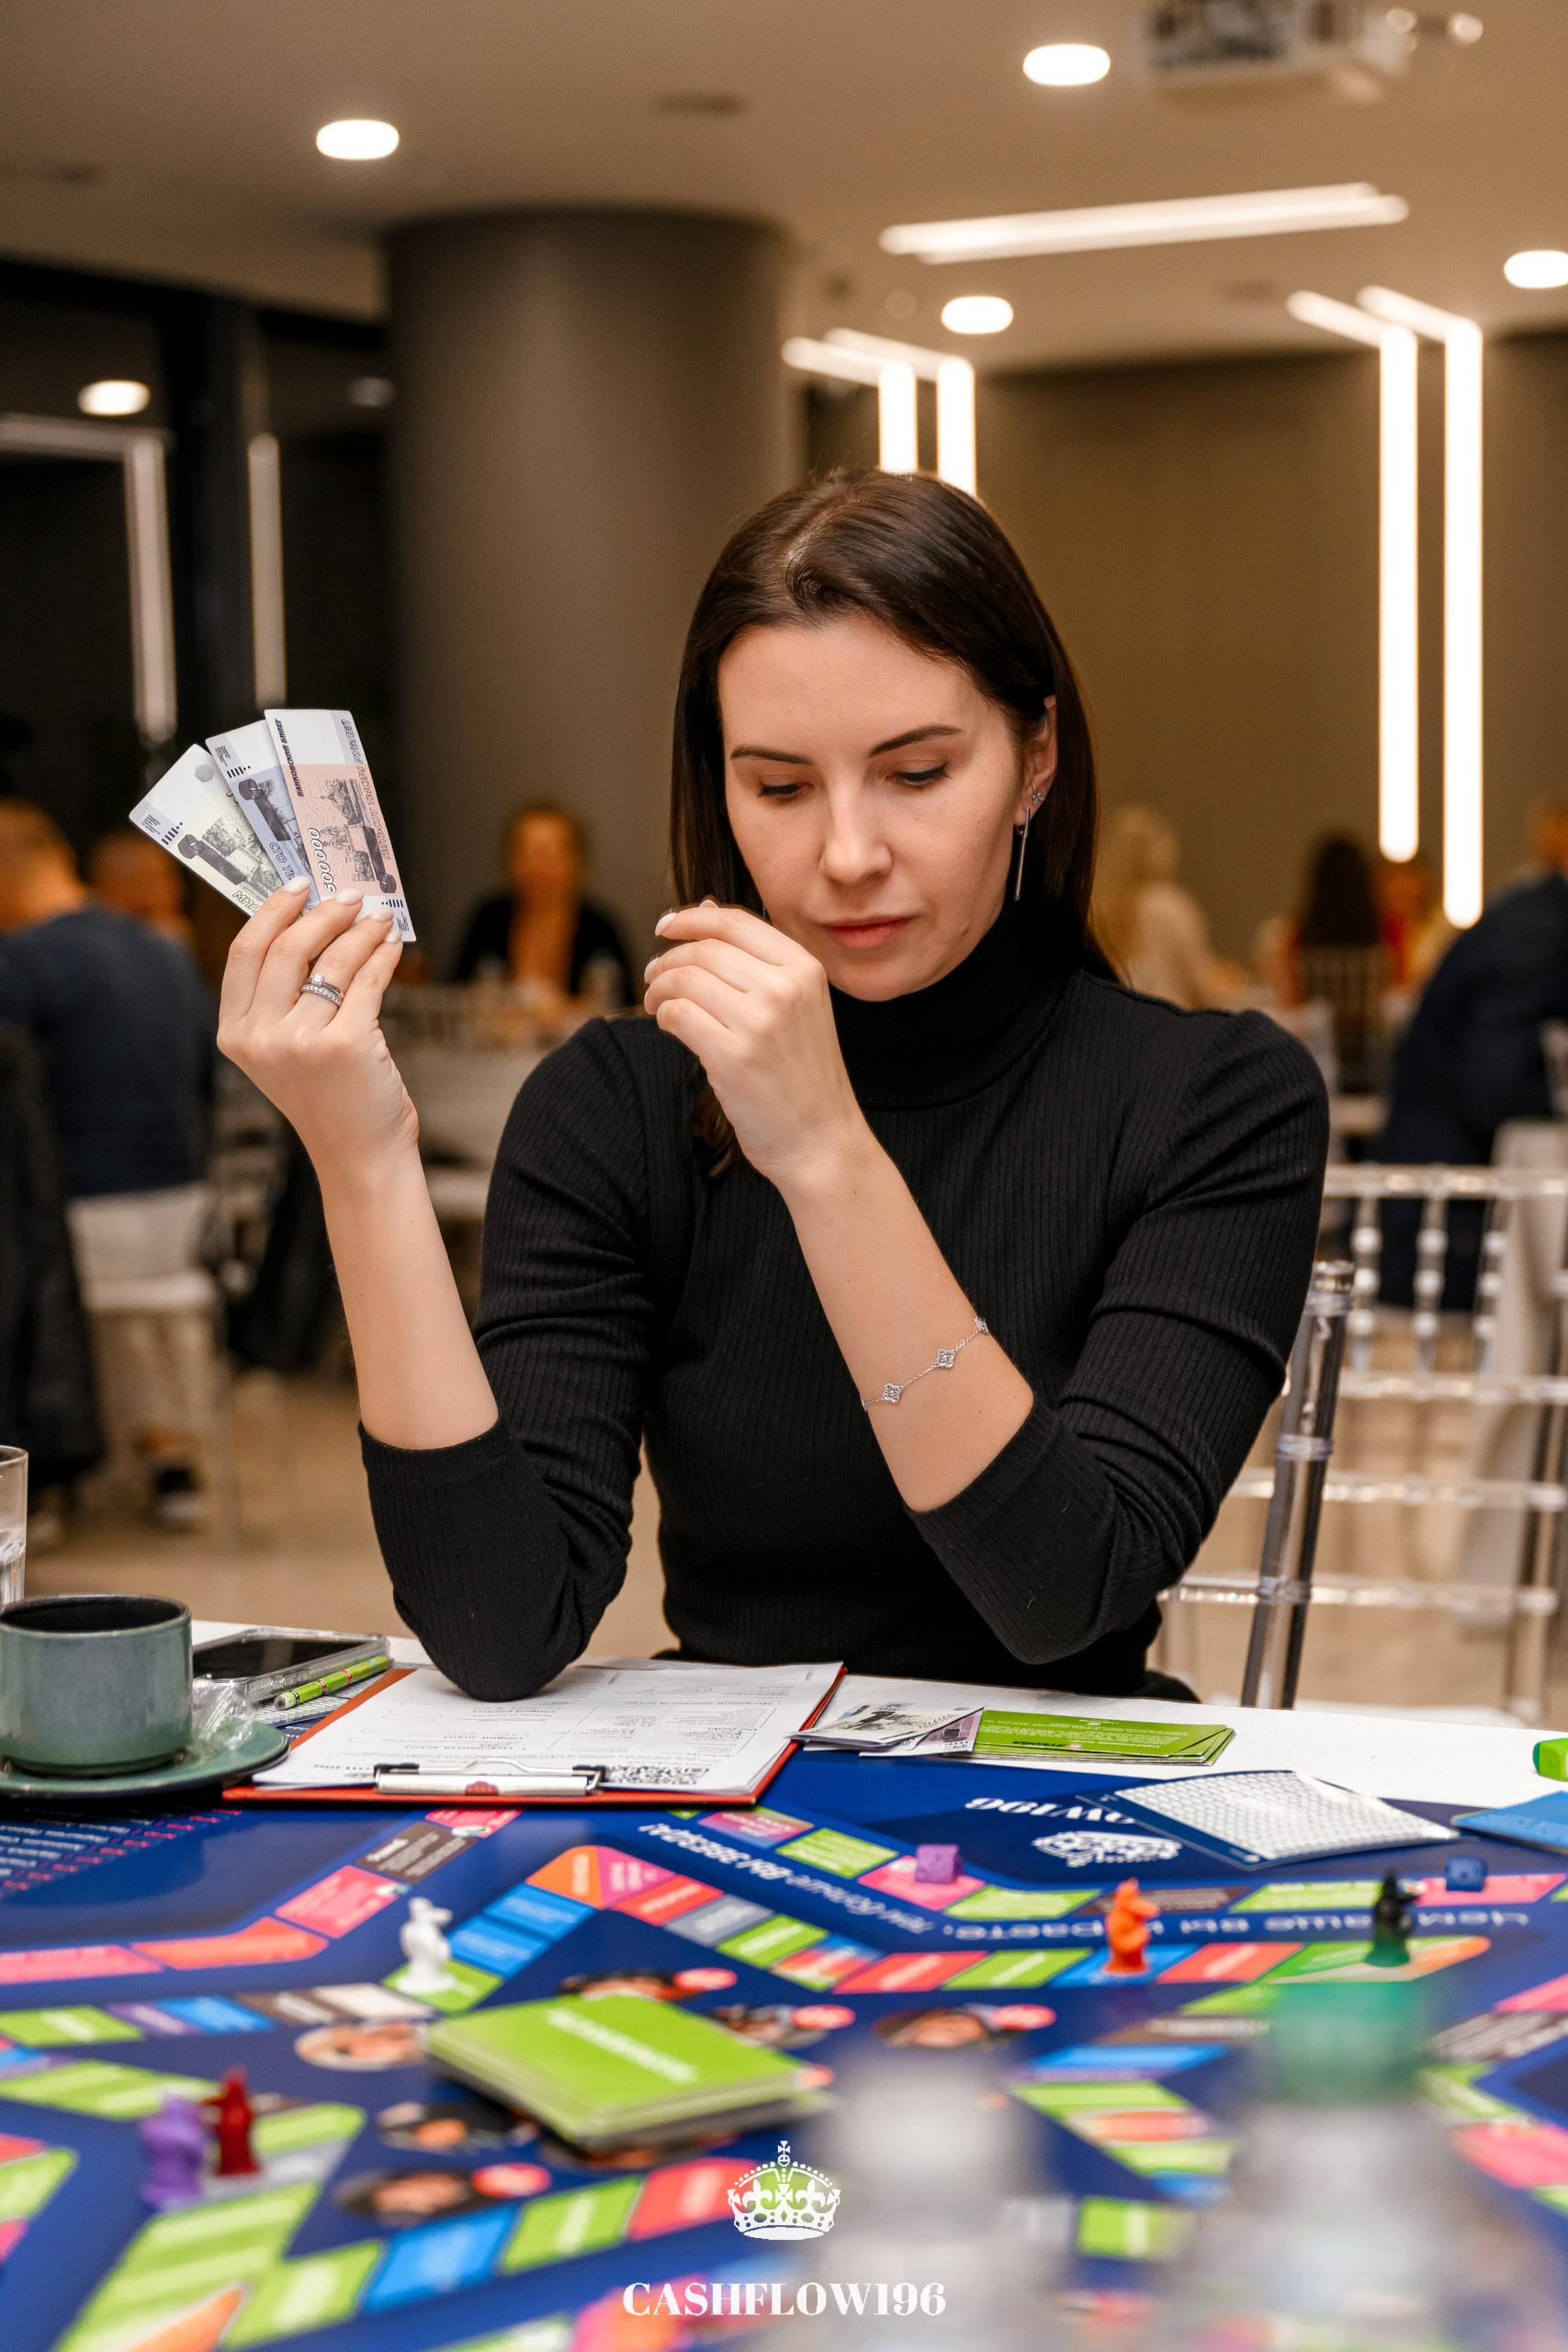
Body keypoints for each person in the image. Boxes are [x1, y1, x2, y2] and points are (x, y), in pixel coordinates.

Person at [218, 471, 1327, 1703]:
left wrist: (824, 1153)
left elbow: (1061, 1595)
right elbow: (499, 1629)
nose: (847, 855)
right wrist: (362, 1162)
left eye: (917, 773)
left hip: (1053, 1785)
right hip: (730, 1785)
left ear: (1035, 759)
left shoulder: (1214, 1101)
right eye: (781, 788)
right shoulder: (618, 1105)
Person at [0, 801, 215, 1529]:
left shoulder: (22, 963)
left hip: (88, 1228)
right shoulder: (167, 952)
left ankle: (36, 1472)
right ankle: (169, 1455)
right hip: (184, 1219)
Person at [451, 802, 634, 1012]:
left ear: (576, 861)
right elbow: (454, 995)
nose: (535, 866)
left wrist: (562, 1009)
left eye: (546, 853)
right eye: (524, 852)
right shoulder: (489, 919)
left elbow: (624, 1009)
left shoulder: (600, 929)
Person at [1091, 805, 1242, 1010]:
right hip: (1169, 1017)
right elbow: (1204, 988)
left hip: (1123, 1017)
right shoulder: (1169, 905)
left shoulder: (1101, 908)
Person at [87, 826, 194, 947]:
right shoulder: (90, 942)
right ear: (115, 889)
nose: (177, 889)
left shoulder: (169, 930)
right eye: (158, 879)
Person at [1375, 852, 1451, 991]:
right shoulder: (1371, 931)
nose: (1400, 887)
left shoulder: (1443, 929)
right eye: (1392, 877)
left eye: (1408, 876)